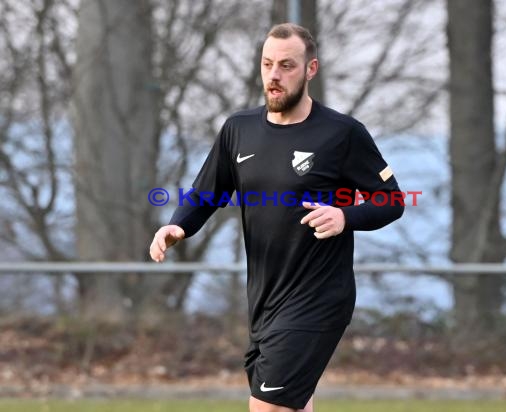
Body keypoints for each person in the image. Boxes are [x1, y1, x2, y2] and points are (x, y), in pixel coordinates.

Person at [149, 23, 404, 412]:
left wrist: (345, 216)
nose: (274, 75)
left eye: (287, 65)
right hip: (266, 298)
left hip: (319, 296)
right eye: (268, 64)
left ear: (310, 69)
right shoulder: (240, 129)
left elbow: (391, 200)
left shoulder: (342, 134)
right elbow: (207, 191)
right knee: (294, 406)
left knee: (267, 407)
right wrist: (178, 224)